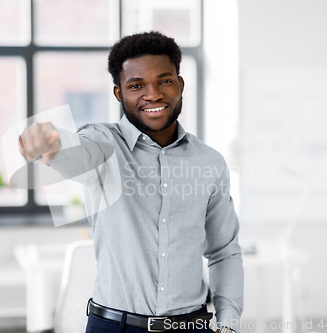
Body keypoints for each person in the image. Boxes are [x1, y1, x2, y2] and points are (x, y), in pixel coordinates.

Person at [19, 31, 243, 333]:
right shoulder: (103, 145)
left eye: (164, 81)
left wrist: (228, 326)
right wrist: (51, 143)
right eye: (136, 85)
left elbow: (224, 251)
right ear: (118, 93)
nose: (152, 94)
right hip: (115, 326)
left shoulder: (210, 162)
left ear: (180, 85)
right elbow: (76, 153)